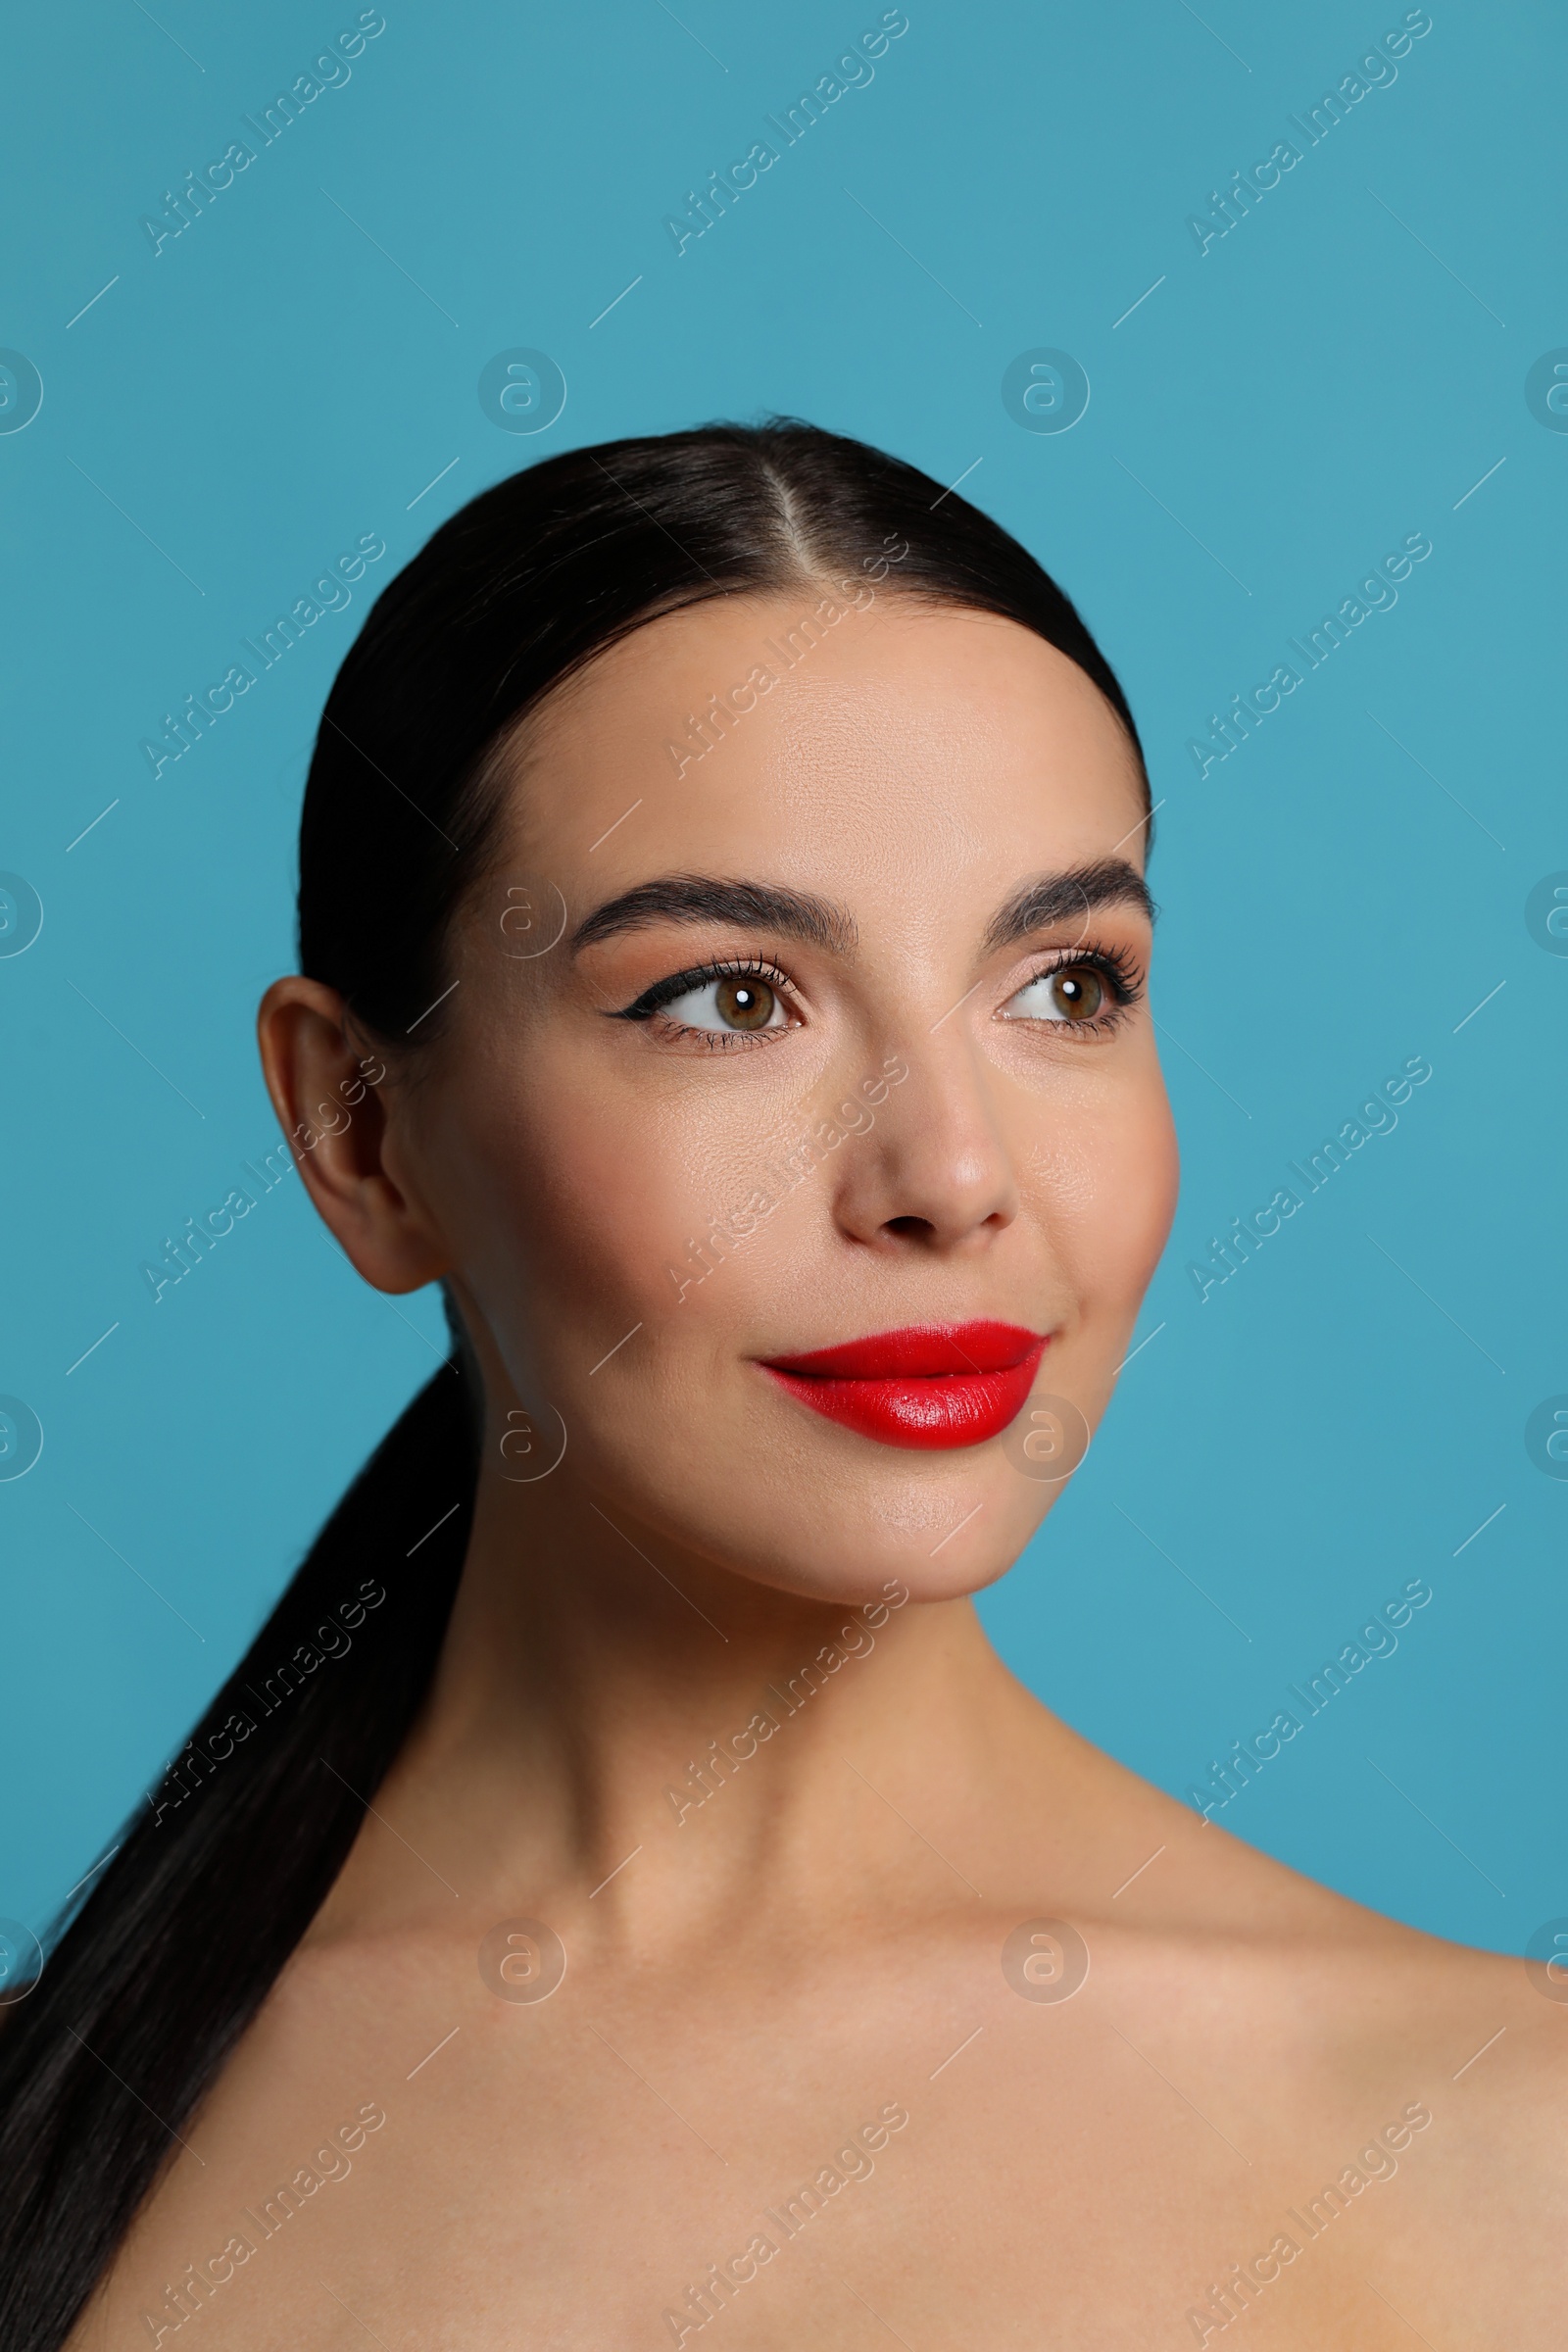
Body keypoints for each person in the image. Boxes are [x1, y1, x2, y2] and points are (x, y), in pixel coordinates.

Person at [3, 422, 1560, 2350]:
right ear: (358, 1130)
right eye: (728, 997)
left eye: (1065, 985)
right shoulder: (58, 2124)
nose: (950, 1176)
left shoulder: (1506, 2148)